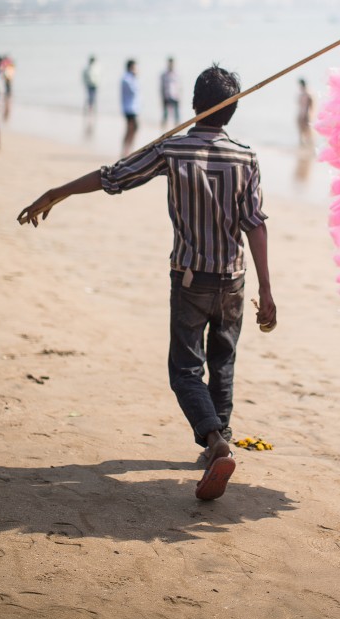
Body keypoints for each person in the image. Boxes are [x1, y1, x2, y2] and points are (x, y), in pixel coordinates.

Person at [17, 64, 277, 501]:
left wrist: (56, 192)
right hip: (234, 280)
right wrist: (267, 289)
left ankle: (215, 441)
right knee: (223, 363)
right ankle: (220, 441)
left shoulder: (172, 150)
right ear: (231, 113)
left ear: (196, 105)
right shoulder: (246, 157)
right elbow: (255, 225)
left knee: (184, 370)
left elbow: (113, 177)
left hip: (192, 278)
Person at [120, 59, 140, 156]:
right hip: (129, 108)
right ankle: (126, 149)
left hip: (133, 107)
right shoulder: (127, 79)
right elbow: (133, 91)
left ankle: (128, 149)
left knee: (132, 128)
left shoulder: (131, 78)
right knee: (132, 128)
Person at [160, 56, 181, 127]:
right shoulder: (164, 74)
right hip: (167, 95)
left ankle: (177, 126)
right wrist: (162, 97)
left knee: (176, 113)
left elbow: (179, 86)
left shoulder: (176, 74)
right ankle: (164, 126)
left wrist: (180, 96)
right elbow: (162, 86)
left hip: (175, 95)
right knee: (165, 113)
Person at [297, 78, 315, 147]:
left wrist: (308, 115)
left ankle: (308, 147)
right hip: (302, 114)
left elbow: (311, 106)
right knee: (302, 132)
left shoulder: (307, 94)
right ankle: (303, 148)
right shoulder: (302, 93)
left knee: (307, 132)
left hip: (306, 115)